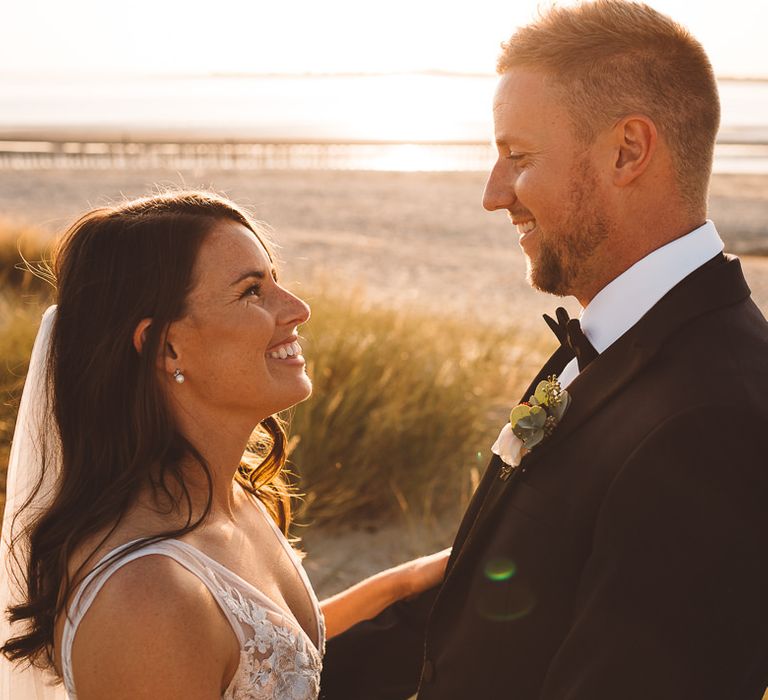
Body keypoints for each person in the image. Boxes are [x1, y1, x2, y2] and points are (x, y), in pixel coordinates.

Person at [319, 2, 768, 698]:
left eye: (517, 156)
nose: (494, 194)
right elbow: (489, 594)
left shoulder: (716, 418)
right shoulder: (603, 344)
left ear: (628, 151)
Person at [0, 191, 449, 700]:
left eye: (275, 279)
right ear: (165, 347)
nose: (298, 309)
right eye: (252, 292)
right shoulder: (146, 601)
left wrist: (405, 583)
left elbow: (273, 654)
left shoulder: (231, 497)